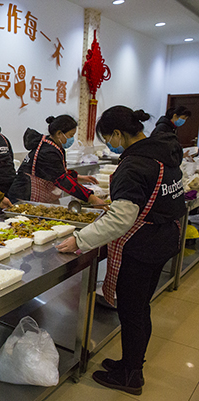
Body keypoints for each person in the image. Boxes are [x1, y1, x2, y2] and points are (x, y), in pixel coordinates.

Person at [56, 106, 186, 395]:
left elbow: (121, 218)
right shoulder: (165, 151)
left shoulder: (135, 165)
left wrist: (80, 240)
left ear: (117, 133)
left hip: (142, 246)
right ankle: (130, 362)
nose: (110, 145)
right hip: (164, 239)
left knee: (132, 311)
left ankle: (132, 375)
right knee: (140, 308)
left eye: (107, 138)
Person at [8, 115, 103, 205]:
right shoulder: (48, 152)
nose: (72, 139)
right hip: (23, 196)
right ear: (59, 134)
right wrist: (90, 197)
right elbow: (62, 180)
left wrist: (79, 177)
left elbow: (57, 171)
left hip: (31, 195)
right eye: (70, 135)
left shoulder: (53, 146)